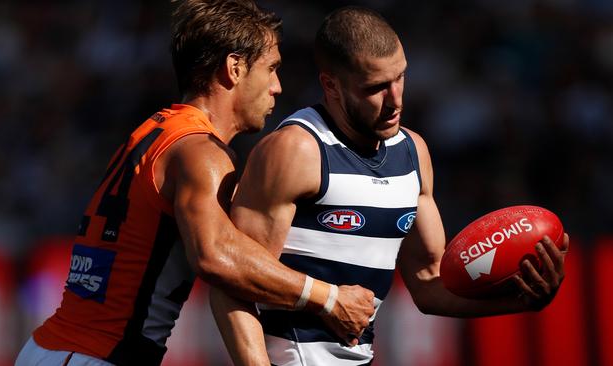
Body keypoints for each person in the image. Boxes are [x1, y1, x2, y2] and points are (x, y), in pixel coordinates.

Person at [14, 1, 375, 365]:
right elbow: (216, 256)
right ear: (234, 69)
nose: (277, 87)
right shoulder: (202, 153)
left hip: (61, 349)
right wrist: (328, 298)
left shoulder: (154, 131)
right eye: (271, 69)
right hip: (97, 355)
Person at [212, 6, 569, 365]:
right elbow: (234, 280)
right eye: (376, 88)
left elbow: (429, 285)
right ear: (331, 85)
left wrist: (517, 301)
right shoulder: (296, 150)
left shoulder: (413, 152)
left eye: (400, 77)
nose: (395, 99)